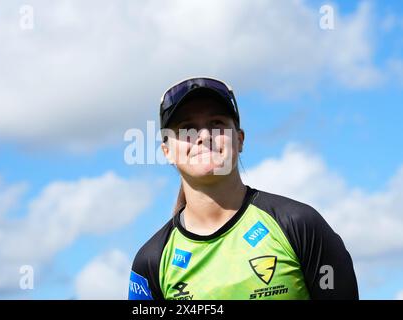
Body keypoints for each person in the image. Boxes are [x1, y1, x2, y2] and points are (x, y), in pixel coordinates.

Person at [128, 77, 359, 300]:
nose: (204, 136)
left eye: (217, 123)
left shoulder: (299, 224)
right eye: (187, 128)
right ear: (166, 151)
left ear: (239, 139)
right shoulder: (151, 261)